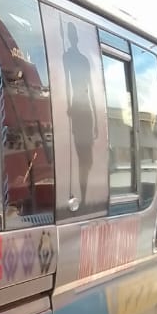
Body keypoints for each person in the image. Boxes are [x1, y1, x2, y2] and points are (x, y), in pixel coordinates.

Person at [62, 21, 97, 210]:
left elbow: (90, 89)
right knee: (83, 157)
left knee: (87, 159)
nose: (73, 37)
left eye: (74, 33)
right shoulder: (67, 57)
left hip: (85, 109)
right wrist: (69, 106)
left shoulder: (83, 60)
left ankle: (82, 197)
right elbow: (67, 84)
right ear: (70, 37)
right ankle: (81, 198)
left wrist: (96, 120)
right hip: (78, 108)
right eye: (71, 34)